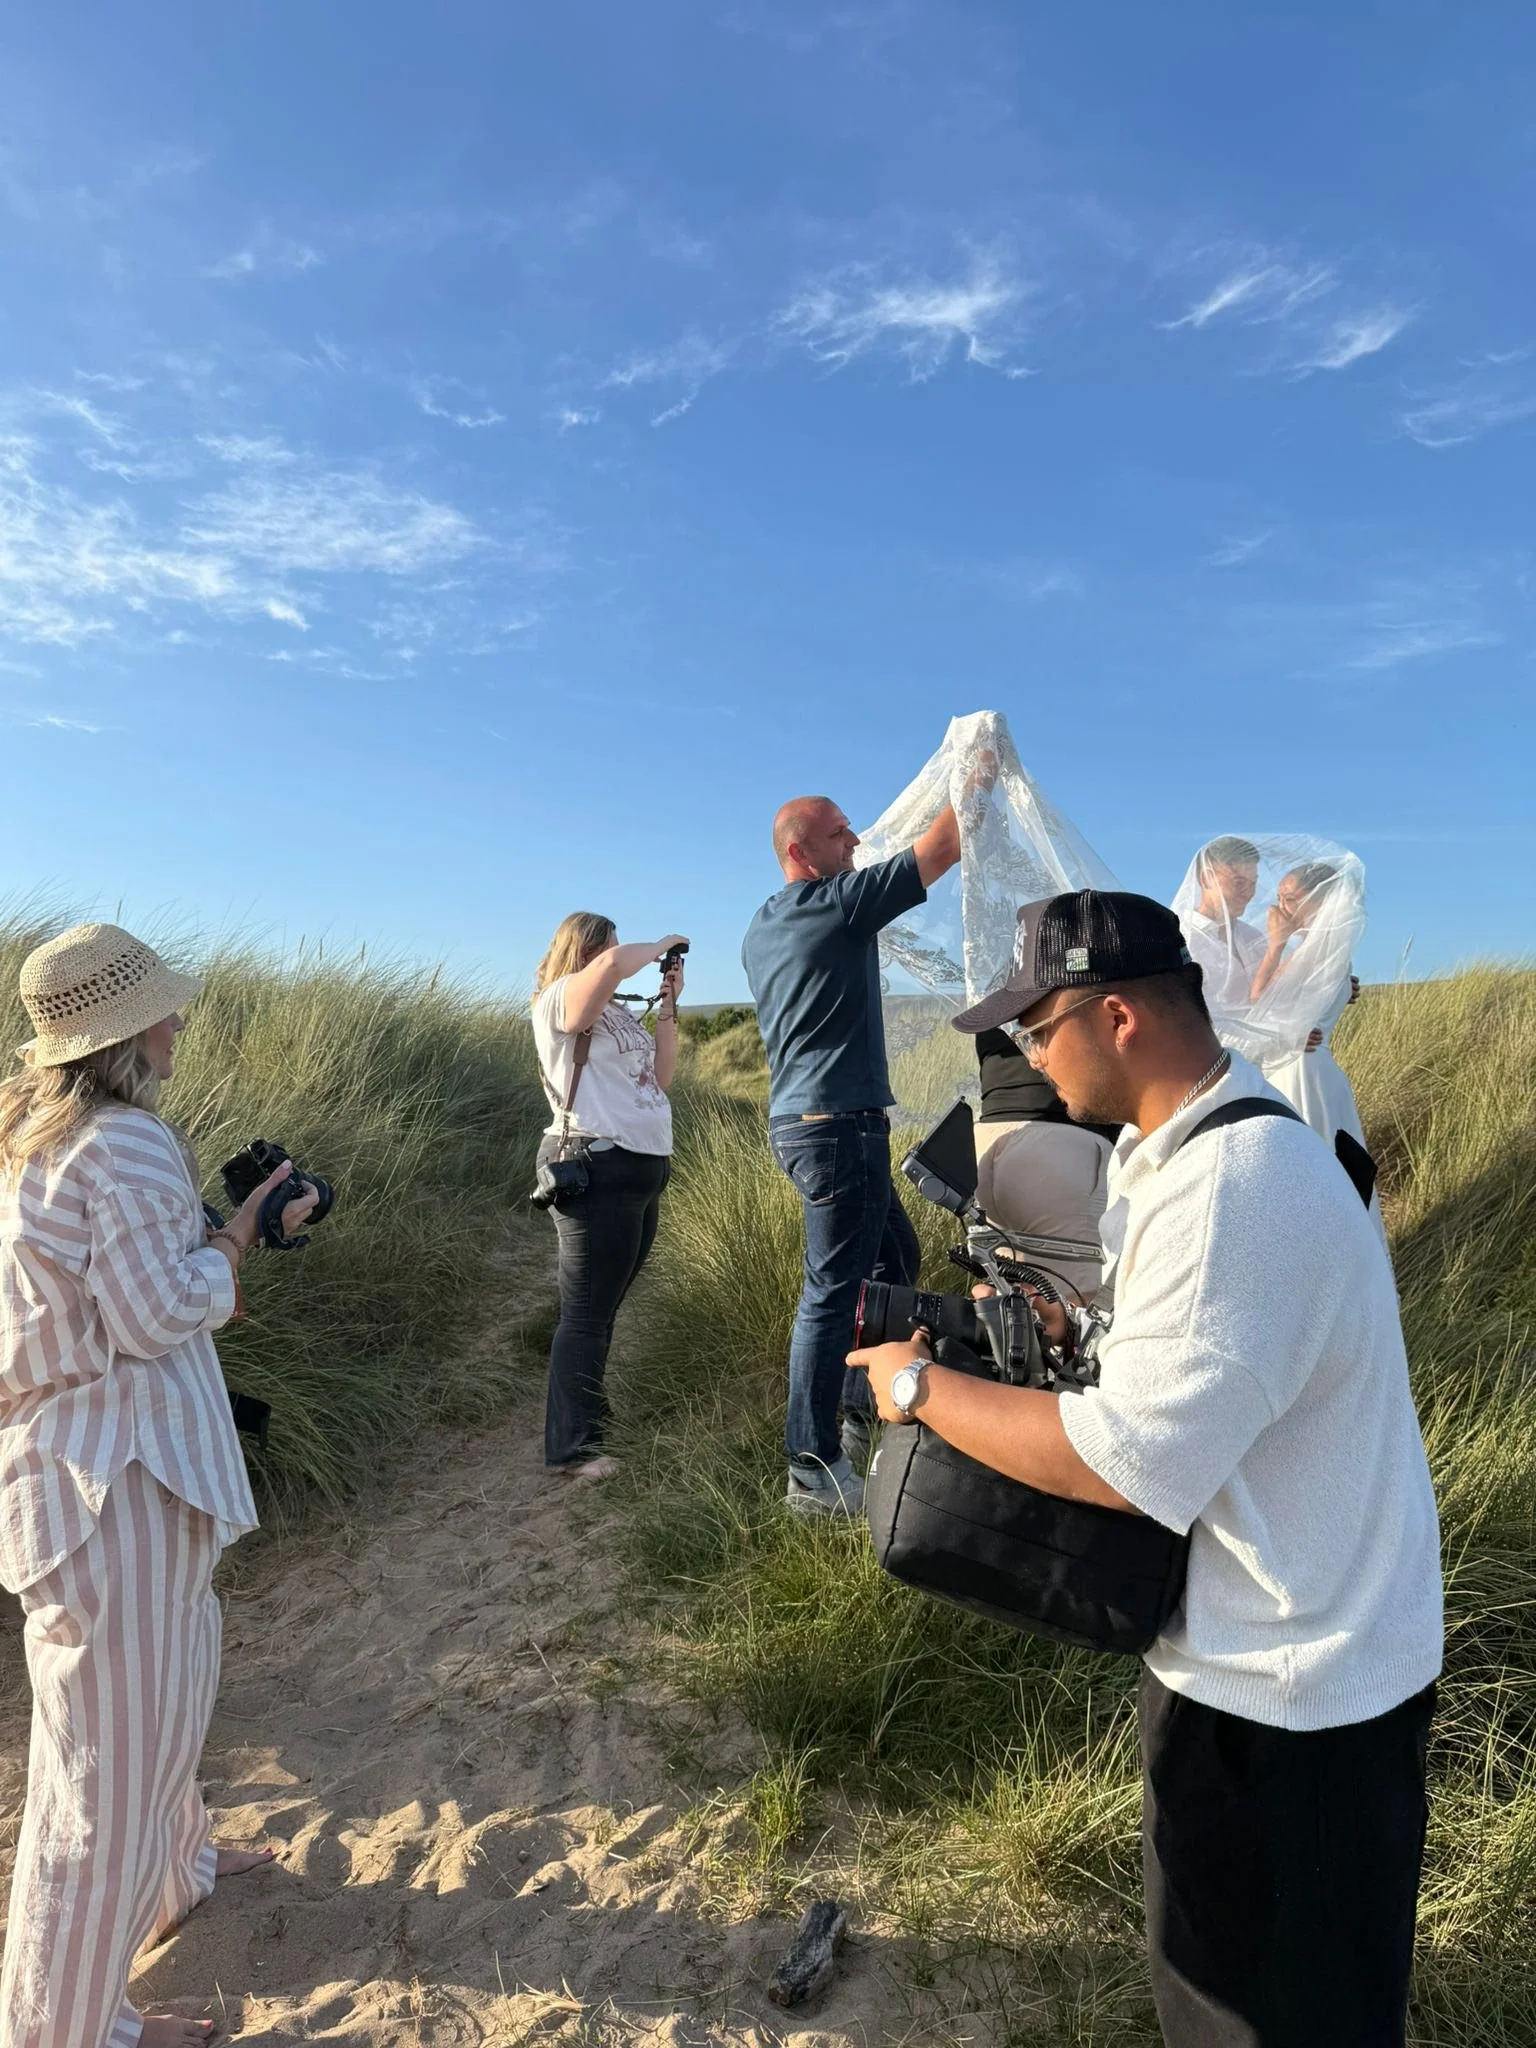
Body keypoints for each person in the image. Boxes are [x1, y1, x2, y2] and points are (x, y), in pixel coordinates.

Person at [851, 890, 1442, 2045]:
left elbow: (1121, 1466)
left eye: (1034, 1027)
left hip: (1293, 1700)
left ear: (1117, 1014)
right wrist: (1073, 1340)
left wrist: (921, 1390)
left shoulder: (1234, 1190)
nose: (1021, 1054)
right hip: (1276, 1652)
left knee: (1260, 2016)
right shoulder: (1190, 1146)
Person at [0, 923, 320, 2048]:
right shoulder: (127, 1140)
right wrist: (233, 1243)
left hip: (74, 1481)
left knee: (156, 1700)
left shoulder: (32, 1132)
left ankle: (180, 1862)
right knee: (95, 1785)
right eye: (164, 1008)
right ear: (125, 1031)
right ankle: (65, 2031)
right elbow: (151, 1313)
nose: (181, 1019)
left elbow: (94, 1292)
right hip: (116, 1488)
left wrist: (207, 1236)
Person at [741, 794, 962, 1516]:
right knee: (831, 1295)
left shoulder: (762, 926)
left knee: (892, 1261)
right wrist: (977, 765)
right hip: (839, 1131)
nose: (856, 840)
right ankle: (812, 1468)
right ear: (802, 852)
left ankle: (853, 1405)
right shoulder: (835, 903)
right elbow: (944, 846)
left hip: (806, 1127)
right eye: (840, 834)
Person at [531, 914, 684, 1478]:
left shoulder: (614, 1012)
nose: (620, 958)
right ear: (588, 951)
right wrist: (662, 944)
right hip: (594, 1165)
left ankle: (589, 1419)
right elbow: (613, 967)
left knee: (603, 1309)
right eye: (609, 949)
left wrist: (667, 1006)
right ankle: (572, 1451)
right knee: (586, 1316)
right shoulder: (558, 1001)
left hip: (638, 1166)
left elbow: (659, 1079)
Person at [971, 1026, 1116, 1302]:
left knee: (1008, 1302)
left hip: (987, 1142)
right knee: (1076, 1306)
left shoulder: (994, 987)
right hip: (1059, 1147)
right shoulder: (1073, 988)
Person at [1251, 863, 1370, 1153]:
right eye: (1279, 898)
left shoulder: (1316, 949)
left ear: (1322, 901)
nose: (1281, 908)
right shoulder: (1330, 947)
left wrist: (1275, 945)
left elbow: (1259, 999)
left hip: (1299, 1069)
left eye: (1290, 899)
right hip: (1312, 1068)